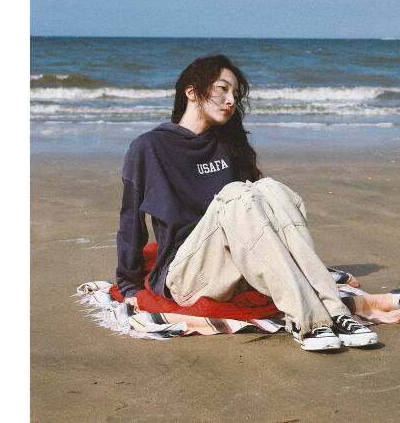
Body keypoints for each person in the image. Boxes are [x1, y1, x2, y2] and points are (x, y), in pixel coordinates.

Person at [116, 54, 378, 351]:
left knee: (268, 188)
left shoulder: (228, 145)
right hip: (187, 276)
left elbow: (258, 216)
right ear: (191, 91)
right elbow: (131, 222)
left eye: (235, 95)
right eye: (222, 89)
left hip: (236, 272)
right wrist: (128, 285)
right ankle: (308, 320)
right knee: (235, 194)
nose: (230, 100)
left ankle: (336, 312)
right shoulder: (149, 148)